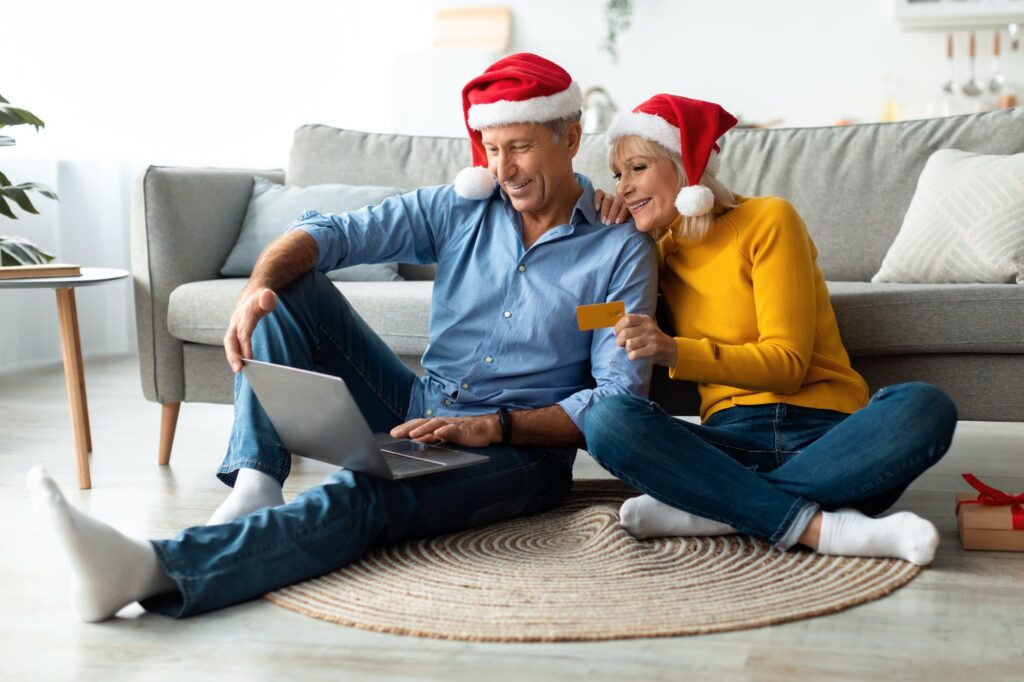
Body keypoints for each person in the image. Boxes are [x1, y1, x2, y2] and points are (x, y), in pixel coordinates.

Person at [26, 53, 657, 621]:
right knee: (288, 284)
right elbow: (330, 233)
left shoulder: (619, 249)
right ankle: (256, 483)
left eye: (518, 147)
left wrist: (493, 427)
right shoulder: (461, 207)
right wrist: (257, 286)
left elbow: (616, 400)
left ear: (570, 138)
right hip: (419, 406)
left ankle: (154, 570)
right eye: (491, 149)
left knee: (368, 490)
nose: (503, 169)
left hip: (519, 449)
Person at [585, 94, 956, 565]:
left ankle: (717, 507)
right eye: (617, 176)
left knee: (925, 406)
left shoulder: (768, 219)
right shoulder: (652, 253)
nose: (623, 188)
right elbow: (590, 318)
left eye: (637, 168)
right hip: (731, 444)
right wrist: (599, 236)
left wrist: (675, 351)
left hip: (830, 439)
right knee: (607, 420)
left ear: (685, 166)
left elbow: (787, 365)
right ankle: (818, 525)